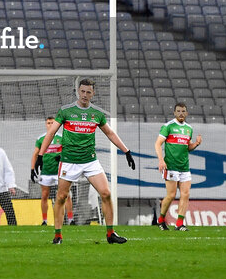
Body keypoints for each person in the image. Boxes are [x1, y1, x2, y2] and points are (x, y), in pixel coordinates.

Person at [37, 77, 136, 245]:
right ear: (78, 91)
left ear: (93, 93)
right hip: (69, 161)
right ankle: (58, 235)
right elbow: (51, 133)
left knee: (106, 193)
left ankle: (110, 233)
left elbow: (110, 133)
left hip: (90, 161)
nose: (84, 95)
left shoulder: (97, 114)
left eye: (88, 92)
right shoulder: (66, 111)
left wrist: (126, 151)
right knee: (61, 197)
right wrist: (40, 155)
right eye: (82, 91)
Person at [155, 102, 202, 232]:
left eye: (183, 111)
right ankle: (161, 219)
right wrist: (161, 160)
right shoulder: (168, 126)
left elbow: (188, 147)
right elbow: (158, 144)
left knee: (185, 194)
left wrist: (196, 144)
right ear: (174, 113)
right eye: (178, 111)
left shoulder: (189, 129)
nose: (181, 113)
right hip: (171, 166)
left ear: (187, 113)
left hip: (184, 167)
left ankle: (179, 223)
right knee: (171, 195)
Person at [31, 117, 74, 226]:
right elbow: (35, 154)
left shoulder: (61, 137)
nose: (50, 125)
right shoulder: (41, 139)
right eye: (48, 123)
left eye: (52, 123)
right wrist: (32, 169)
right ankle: (44, 220)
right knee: (45, 195)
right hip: (46, 171)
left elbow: (68, 150)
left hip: (60, 172)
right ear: (46, 124)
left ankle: (70, 219)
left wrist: (61, 156)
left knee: (66, 195)